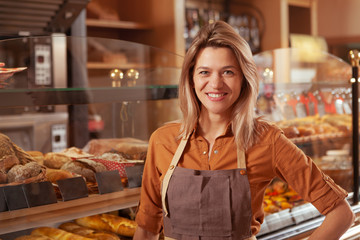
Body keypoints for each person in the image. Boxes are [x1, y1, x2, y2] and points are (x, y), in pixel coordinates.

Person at [134, 21, 355, 240]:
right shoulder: (162, 141)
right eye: (204, 72)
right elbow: (146, 229)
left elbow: (341, 214)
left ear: (244, 79)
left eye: (228, 72)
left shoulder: (267, 140)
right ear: (191, 79)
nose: (215, 83)